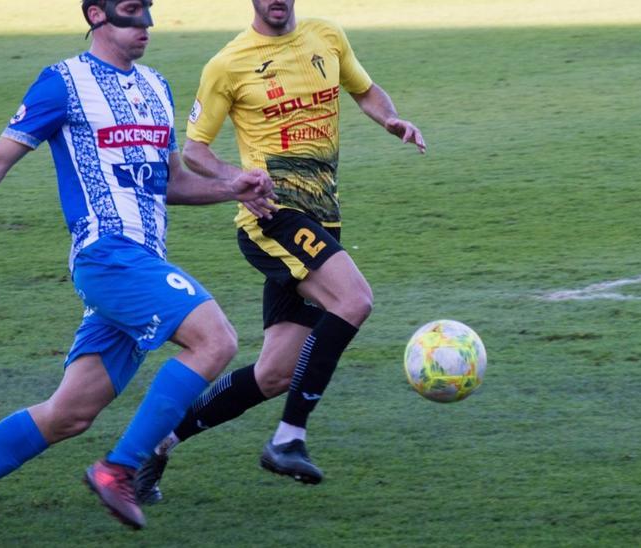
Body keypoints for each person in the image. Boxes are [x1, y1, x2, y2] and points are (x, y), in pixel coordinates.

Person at [0, 0, 278, 544]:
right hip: (106, 254)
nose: (145, 23)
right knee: (214, 340)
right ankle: (119, 469)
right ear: (96, 15)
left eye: (148, 11)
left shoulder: (156, 86)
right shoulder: (63, 82)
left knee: (68, 414)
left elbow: (165, 181)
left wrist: (226, 187)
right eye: (130, 11)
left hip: (142, 263)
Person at [132, 0, 426, 502]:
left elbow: (364, 89)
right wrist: (234, 179)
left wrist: (391, 120)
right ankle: (289, 438)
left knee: (275, 373)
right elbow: (196, 150)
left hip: (322, 218)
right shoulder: (228, 63)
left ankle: (155, 446)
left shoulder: (327, 37)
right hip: (271, 219)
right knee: (353, 300)